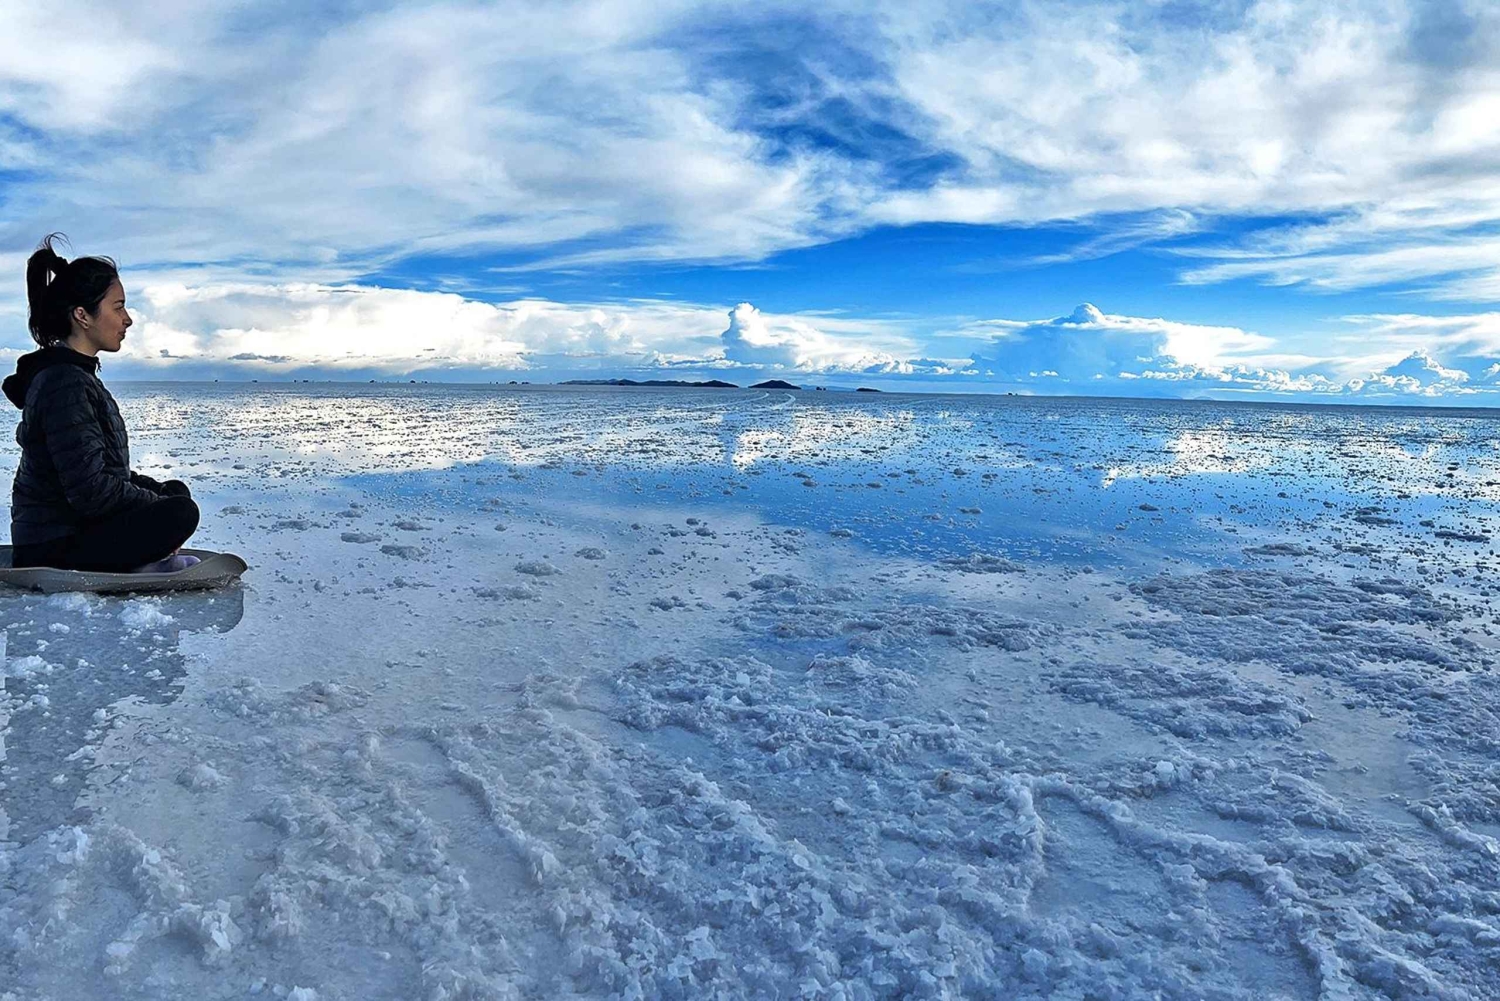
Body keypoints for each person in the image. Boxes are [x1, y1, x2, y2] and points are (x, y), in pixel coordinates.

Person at [4, 234, 200, 573]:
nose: (128, 319)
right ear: (83, 315)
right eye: (118, 307)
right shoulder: (63, 384)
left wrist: (161, 493)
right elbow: (91, 492)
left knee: (176, 494)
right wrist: (161, 505)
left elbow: (105, 473)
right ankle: (140, 563)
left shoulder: (76, 376)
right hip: (52, 545)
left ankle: (143, 553)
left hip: (73, 529)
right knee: (180, 513)